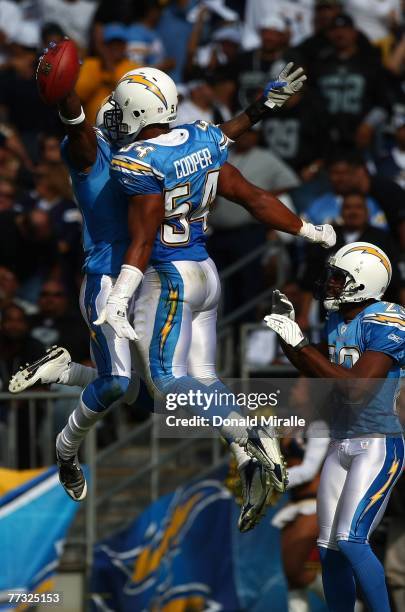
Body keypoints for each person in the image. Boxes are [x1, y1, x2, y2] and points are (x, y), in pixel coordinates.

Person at [15, 50, 310, 514]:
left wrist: (259, 108)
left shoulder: (152, 149)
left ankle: (66, 371)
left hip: (151, 273)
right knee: (116, 384)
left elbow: (213, 141)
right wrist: (61, 85)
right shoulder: (91, 149)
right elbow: (74, 123)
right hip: (108, 277)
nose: (110, 113)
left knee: (158, 400)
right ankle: (66, 449)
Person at [264, 242, 404, 612]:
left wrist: (303, 346)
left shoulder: (387, 318)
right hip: (342, 441)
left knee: (352, 539)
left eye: (340, 277)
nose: (330, 283)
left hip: (378, 441)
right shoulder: (338, 319)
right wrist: (292, 339)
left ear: (364, 282)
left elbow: (357, 388)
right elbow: (320, 375)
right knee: (328, 545)